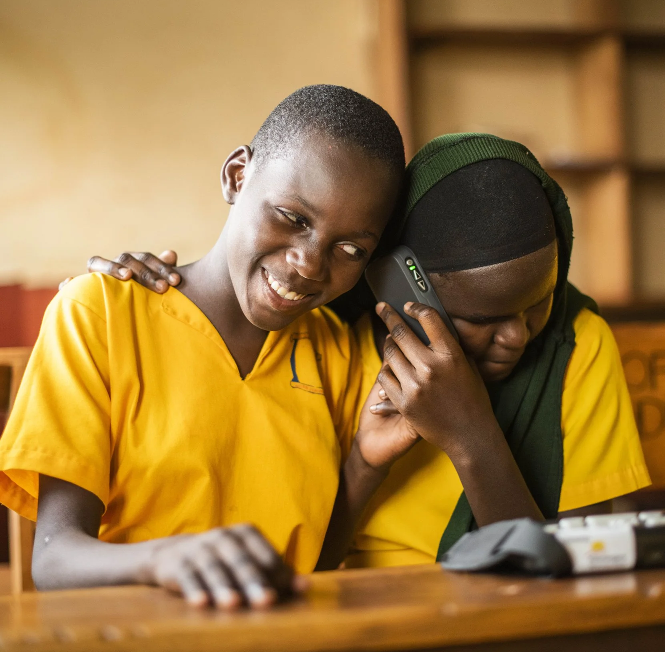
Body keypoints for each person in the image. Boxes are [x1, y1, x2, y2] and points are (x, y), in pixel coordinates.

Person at [93, 134, 650, 570]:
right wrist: (148, 279)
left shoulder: (575, 342)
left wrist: (469, 432)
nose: (518, 336)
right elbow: (306, 551)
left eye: (537, 304)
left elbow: (579, 566)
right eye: (483, 319)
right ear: (401, 285)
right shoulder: (323, 337)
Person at [0, 84, 415, 607]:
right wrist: (163, 559)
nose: (309, 264)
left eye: (351, 248)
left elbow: (316, 567)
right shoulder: (100, 313)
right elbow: (54, 559)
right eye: (292, 218)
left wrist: (365, 465)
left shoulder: (338, 352)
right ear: (237, 177)